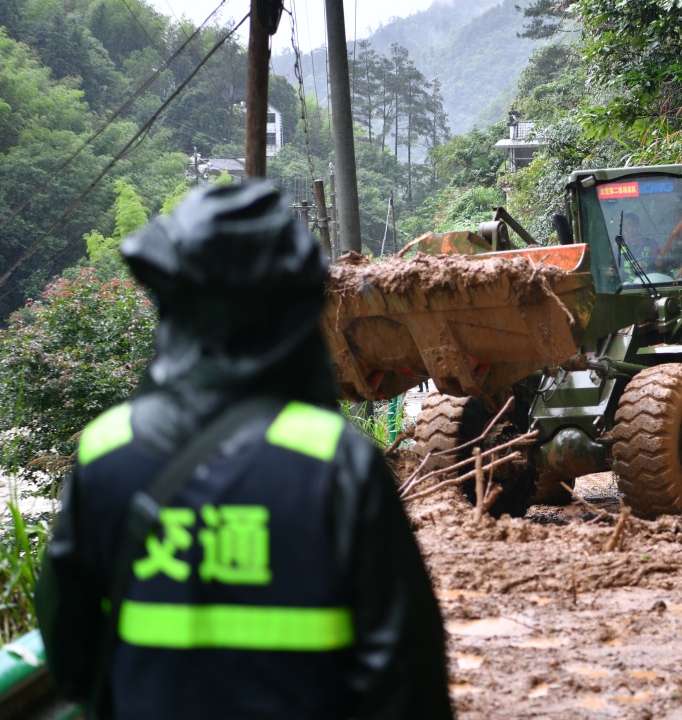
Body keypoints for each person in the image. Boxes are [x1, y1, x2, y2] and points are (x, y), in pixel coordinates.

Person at [36, 182, 453, 720]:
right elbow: (406, 680)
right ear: (296, 312)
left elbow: (69, 655)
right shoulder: (336, 463)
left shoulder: (108, 451)